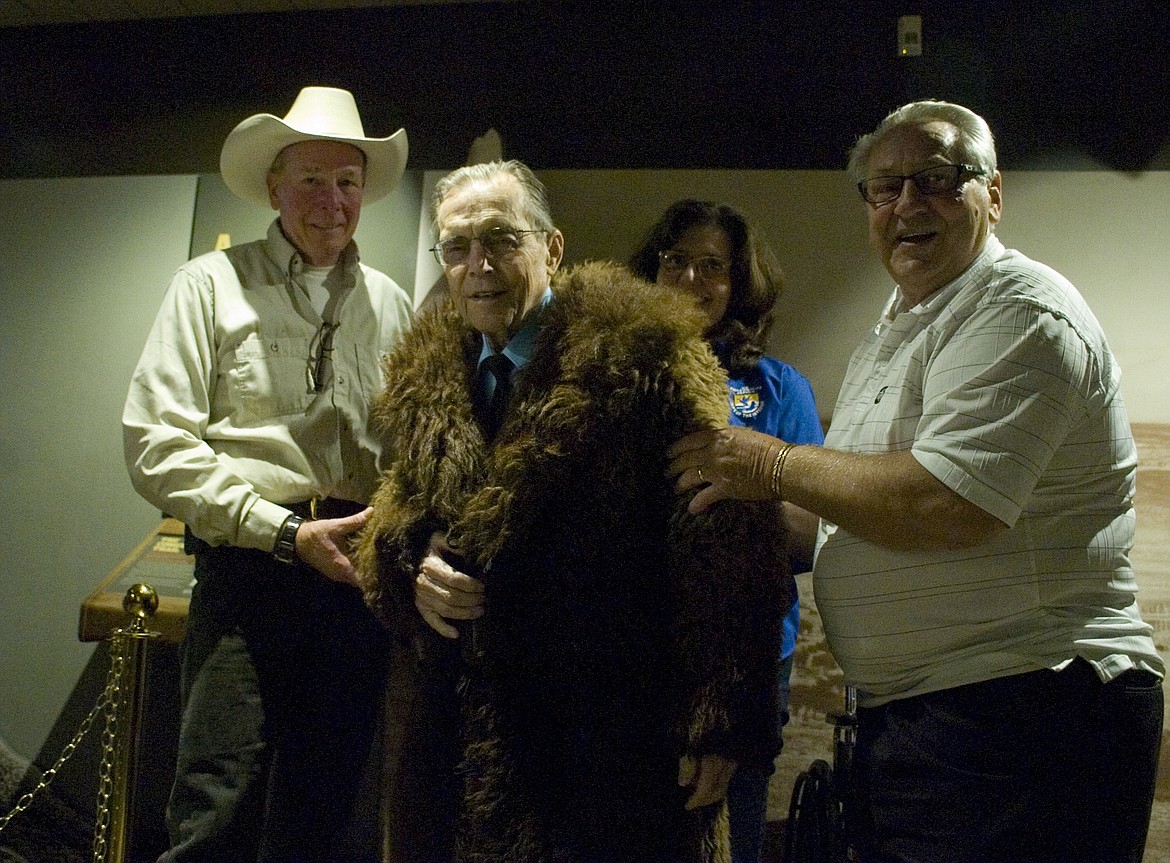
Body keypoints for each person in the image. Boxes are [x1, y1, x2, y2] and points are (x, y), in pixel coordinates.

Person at [668, 100, 1165, 863]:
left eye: (935, 179)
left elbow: (946, 503)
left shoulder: (1021, 312)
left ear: (992, 194)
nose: (906, 205)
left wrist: (766, 462)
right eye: (884, 187)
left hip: (1025, 713)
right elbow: (848, 518)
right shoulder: (905, 324)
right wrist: (708, 518)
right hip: (933, 720)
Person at [353, 160, 790, 862]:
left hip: (612, 744)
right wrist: (412, 563)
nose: (478, 265)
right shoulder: (430, 376)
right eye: (457, 247)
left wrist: (722, 715)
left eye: (500, 239)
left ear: (551, 248)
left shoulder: (646, 353)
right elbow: (393, 518)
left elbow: (726, 538)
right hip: (462, 738)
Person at [122, 86, 413, 863]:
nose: (332, 199)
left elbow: (416, 453)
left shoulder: (393, 306)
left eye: (348, 181)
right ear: (275, 188)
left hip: (353, 582)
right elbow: (156, 442)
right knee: (218, 808)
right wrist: (282, 532)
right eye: (312, 180)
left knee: (326, 813)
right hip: (250, 572)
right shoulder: (207, 285)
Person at [629, 199, 823, 863]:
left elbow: (810, 537)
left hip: (742, 667)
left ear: (737, 283)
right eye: (675, 260)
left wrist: (749, 477)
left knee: (723, 843)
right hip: (626, 658)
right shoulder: (610, 377)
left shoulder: (777, 387)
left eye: (712, 265)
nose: (690, 279)